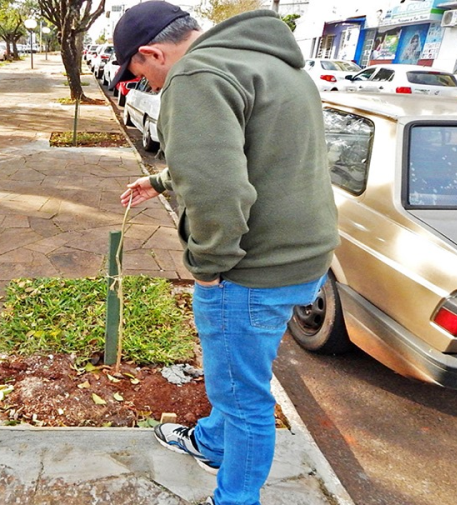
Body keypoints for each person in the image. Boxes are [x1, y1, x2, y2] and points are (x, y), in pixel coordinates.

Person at [109, 3, 339, 505]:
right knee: (240, 374)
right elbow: (256, 153)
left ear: (152, 53)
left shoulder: (195, 75)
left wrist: (208, 269)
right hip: (305, 256)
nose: (145, 84)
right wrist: (161, 181)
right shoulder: (272, 62)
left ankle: (235, 497)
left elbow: (219, 189)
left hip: (252, 267)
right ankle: (213, 444)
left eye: (140, 72)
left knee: (244, 398)